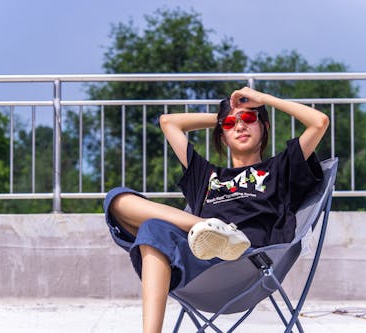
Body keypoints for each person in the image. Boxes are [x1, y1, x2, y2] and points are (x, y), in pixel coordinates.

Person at [103, 86, 329, 333]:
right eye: (231, 124)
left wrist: (263, 100)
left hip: (248, 265)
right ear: (222, 135)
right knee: (119, 202)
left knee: (151, 228)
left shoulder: (280, 168)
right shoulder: (207, 175)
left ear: (265, 126)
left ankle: (215, 229)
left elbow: (319, 122)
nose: (240, 126)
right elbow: (168, 122)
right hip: (199, 260)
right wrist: (222, 117)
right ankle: (203, 225)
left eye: (249, 118)